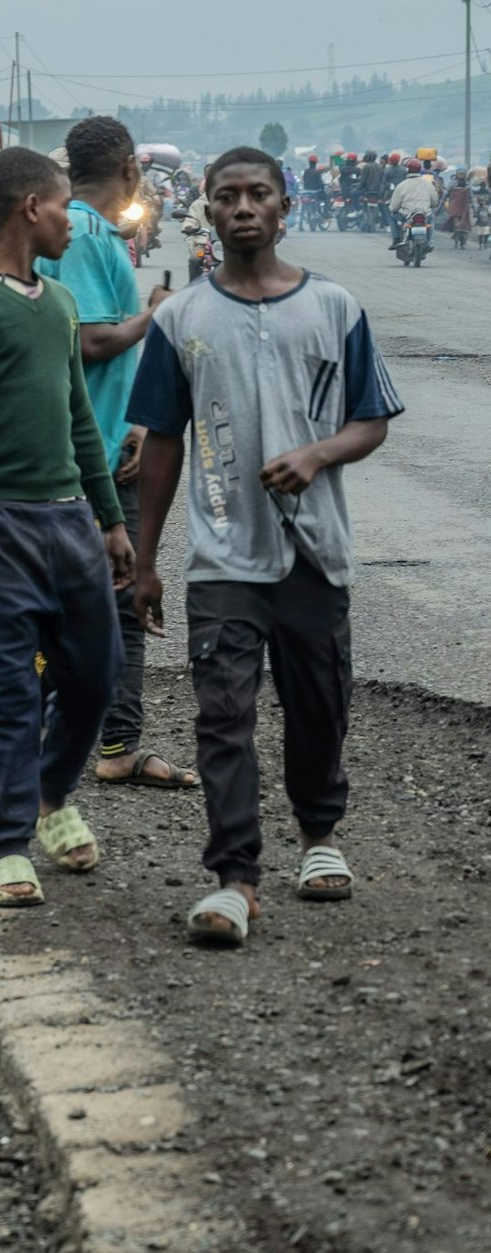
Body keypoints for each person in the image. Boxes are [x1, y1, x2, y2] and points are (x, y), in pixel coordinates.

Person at [129, 147, 401, 947]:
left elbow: (371, 417)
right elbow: (162, 442)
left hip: (315, 551)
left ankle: (320, 836)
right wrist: (145, 562)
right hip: (222, 556)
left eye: (259, 195)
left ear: (285, 207)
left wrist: (317, 454)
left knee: (319, 706)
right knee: (223, 714)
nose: (244, 207)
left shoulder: (335, 307)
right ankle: (235, 879)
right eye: (227, 196)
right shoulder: (182, 321)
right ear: (206, 212)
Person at [0, 147, 135, 910]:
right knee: (6, 691)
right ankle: (10, 844)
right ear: (28, 210)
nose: (74, 222)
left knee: (95, 673)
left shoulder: (61, 302)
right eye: (64, 206)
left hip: (70, 518)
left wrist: (110, 518)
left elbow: (79, 415)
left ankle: (51, 791)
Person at [34, 116, 193, 792]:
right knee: (117, 597)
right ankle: (113, 741)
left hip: (97, 436)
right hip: (89, 452)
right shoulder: (86, 232)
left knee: (89, 599)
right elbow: (89, 341)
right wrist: (155, 313)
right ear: (130, 167)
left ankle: (83, 732)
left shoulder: (80, 228)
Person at [389, 159, 441, 246]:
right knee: (431, 218)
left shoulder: (401, 185)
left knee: (392, 218)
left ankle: (396, 239)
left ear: (408, 170)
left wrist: (392, 209)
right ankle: (430, 240)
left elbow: (394, 206)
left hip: (406, 215)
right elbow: (434, 202)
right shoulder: (428, 184)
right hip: (424, 214)